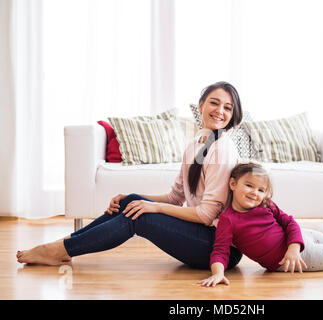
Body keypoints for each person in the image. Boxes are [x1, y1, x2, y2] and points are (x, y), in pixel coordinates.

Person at [17, 81, 244, 269]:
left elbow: (207, 215)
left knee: (141, 216)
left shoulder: (222, 149)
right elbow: (176, 198)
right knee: (131, 200)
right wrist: (135, 198)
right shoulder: (196, 144)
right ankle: (65, 246)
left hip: (220, 249)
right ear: (201, 105)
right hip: (203, 234)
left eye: (227, 108)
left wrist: (153, 207)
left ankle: (59, 250)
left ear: (233, 115)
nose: (220, 111)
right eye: (214, 103)